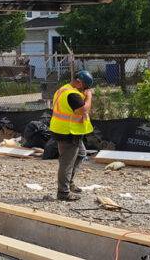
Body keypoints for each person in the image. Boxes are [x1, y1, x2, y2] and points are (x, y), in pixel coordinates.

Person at [49, 70, 94, 201]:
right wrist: (89, 96)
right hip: (68, 132)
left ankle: (69, 182)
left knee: (81, 154)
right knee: (66, 163)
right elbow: (83, 110)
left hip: (67, 130)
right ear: (79, 82)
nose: (85, 90)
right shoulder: (72, 94)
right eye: (85, 87)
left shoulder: (64, 89)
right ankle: (63, 193)